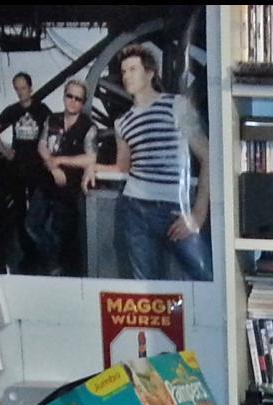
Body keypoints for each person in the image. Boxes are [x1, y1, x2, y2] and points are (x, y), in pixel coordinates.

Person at [108, 44, 211, 282]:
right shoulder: (122, 123)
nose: (126, 76)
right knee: (145, 285)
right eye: (123, 72)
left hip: (174, 209)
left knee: (205, 274)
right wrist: (92, 168)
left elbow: (207, 156)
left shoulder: (177, 105)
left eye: (132, 69)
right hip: (134, 210)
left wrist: (197, 215)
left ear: (150, 73)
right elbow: (122, 167)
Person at [0, 72, 53, 273]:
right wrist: (4, 150)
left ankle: (41, 252)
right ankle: (28, 253)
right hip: (17, 168)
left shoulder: (42, 110)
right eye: (17, 89)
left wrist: (50, 158)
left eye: (23, 88)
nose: (20, 92)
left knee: (38, 212)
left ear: (31, 88)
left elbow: (54, 131)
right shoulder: (13, 110)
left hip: (38, 169)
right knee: (19, 211)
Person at [36, 78, 98, 276]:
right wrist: (52, 166)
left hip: (68, 191)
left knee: (60, 232)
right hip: (46, 183)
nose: (72, 101)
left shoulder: (89, 127)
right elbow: (42, 145)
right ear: (64, 96)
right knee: (32, 225)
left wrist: (60, 160)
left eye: (78, 99)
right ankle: (54, 263)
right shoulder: (51, 119)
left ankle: (58, 269)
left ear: (83, 102)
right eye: (69, 96)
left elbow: (91, 158)